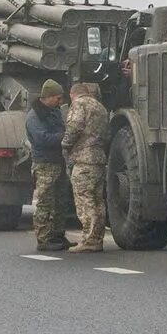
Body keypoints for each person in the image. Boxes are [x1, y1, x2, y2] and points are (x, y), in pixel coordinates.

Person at [60, 81, 110, 253]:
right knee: (98, 201)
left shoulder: (79, 105)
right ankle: (97, 238)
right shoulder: (101, 108)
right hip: (98, 158)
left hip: (83, 160)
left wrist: (65, 145)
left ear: (73, 95)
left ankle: (88, 240)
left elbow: (74, 128)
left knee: (84, 200)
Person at [25, 79, 70, 252]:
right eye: (57, 98)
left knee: (60, 201)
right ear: (48, 97)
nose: (60, 102)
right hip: (44, 164)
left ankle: (58, 235)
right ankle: (43, 239)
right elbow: (42, 139)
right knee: (45, 202)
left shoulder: (54, 112)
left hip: (58, 162)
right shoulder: (35, 116)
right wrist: (64, 137)